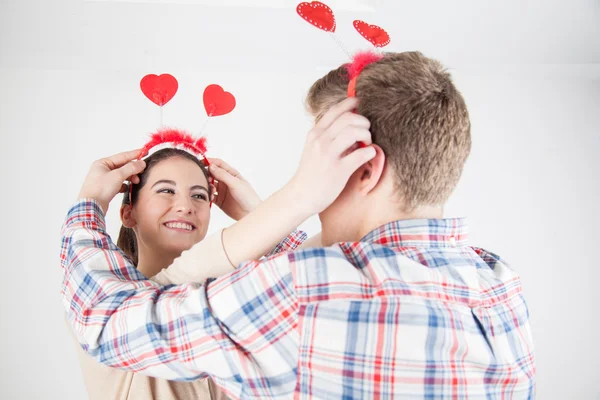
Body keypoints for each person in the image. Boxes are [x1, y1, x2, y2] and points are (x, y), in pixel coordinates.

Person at [61, 51, 535, 399]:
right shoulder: (499, 287)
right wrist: (266, 217)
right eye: (164, 190)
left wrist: (87, 206)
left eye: (320, 156)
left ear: (364, 168)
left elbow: (104, 319)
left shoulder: (296, 293)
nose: (184, 205)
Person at [68, 132, 309, 400]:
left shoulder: (229, 299)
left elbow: (323, 291)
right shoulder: (105, 304)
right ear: (128, 212)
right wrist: (91, 200)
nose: (185, 206)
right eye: (166, 190)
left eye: (198, 195)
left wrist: (252, 212)